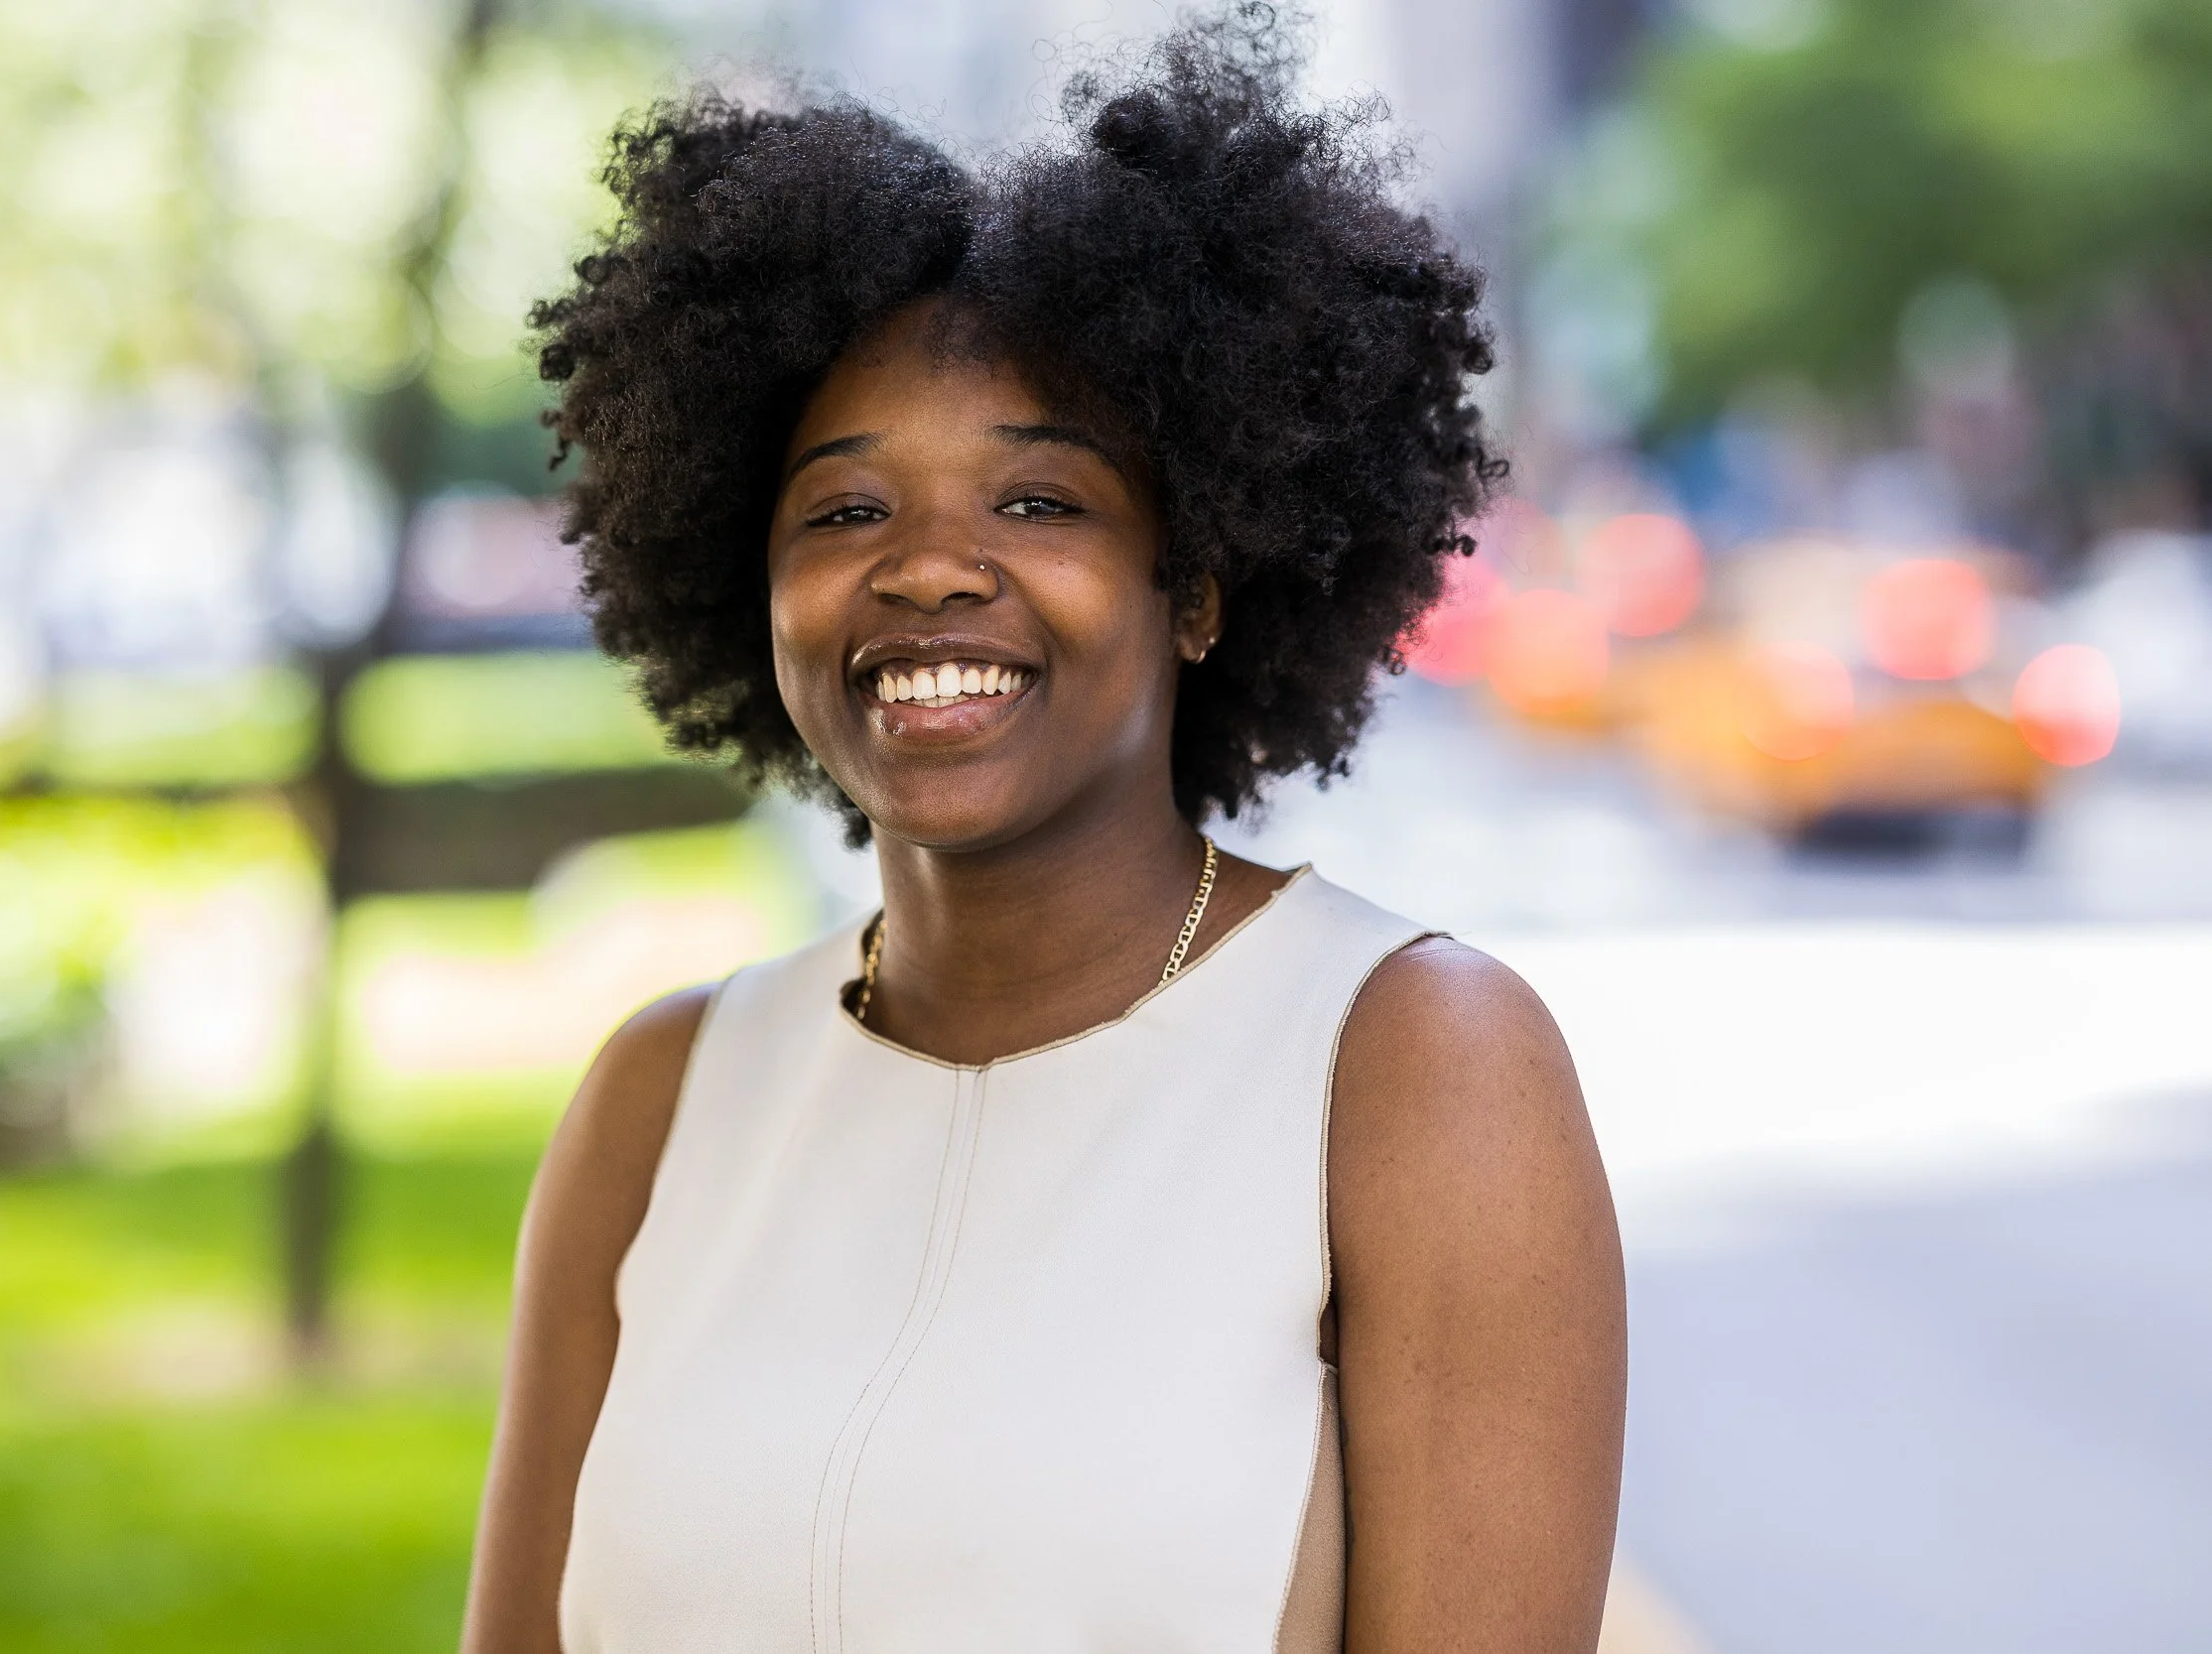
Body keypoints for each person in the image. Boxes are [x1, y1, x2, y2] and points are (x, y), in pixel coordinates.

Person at [461, 9, 1626, 1651]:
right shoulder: (659, 1104)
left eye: (1039, 502)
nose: (929, 565)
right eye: (847, 508)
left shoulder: (1414, 1068)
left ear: (1201, 583)